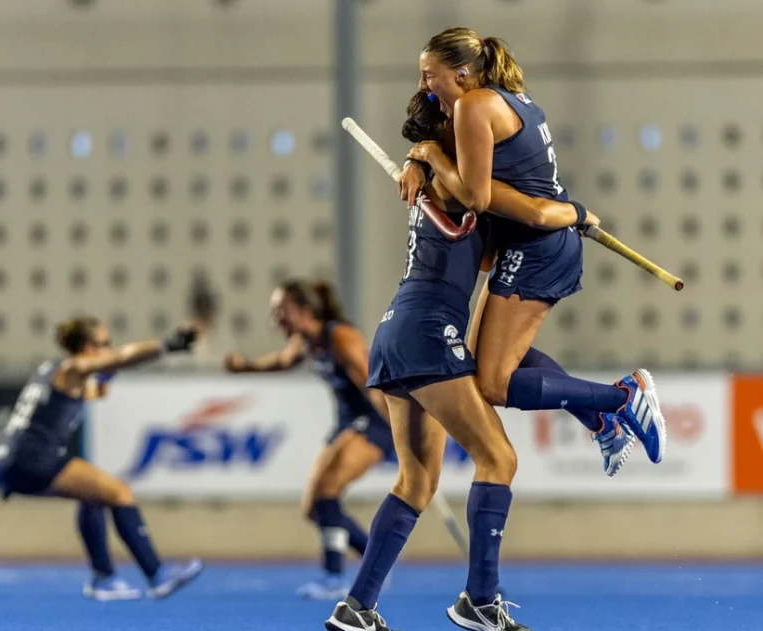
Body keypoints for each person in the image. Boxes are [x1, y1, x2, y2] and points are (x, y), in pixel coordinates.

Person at [401, 29, 665, 474]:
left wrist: (428, 152)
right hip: (535, 242)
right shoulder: (512, 98)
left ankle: (623, 397)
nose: (425, 88)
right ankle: (600, 419)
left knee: (492, 384)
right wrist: (417, 160)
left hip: (540, 248)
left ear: (462, 73)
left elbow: (476, 197)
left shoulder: (474, 104)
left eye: (430, 76)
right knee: (488, 358)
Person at [0, 317, 204, 601]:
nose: (110, 350)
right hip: (31, 457)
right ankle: (157, 575)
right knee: (119, 491)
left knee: (93, 495)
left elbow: (96, 391)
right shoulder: (73, 367)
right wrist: (167, 345)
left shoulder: (57, 371)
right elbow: (122, 357)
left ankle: (104, 577)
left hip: (10, 460)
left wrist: (109, 374)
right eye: (105, 345)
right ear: (88, 349)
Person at [225, 279, 395, 600]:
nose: (276, 319)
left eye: (281, 311)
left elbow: (372, 383)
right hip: (346, 424)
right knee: (313, 507)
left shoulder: (340, 337)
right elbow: (278, 363)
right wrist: (244, 367)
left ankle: (333, 577)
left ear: (304, 311)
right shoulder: (306, 341)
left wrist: (400, 428)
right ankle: (375, 564)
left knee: (328, 491)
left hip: (373, 424)